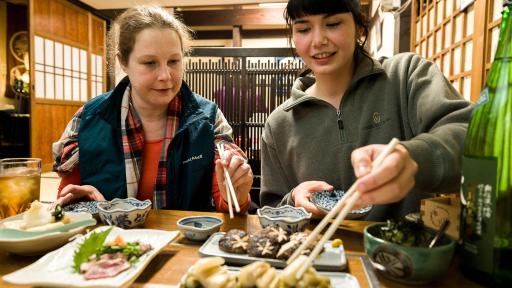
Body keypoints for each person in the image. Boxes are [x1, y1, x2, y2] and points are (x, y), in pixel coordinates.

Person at [260, 0, 473, 220]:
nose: (318, 41)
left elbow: (469, 134)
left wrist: (414, 157)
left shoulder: (406, 76)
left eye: (332, 24)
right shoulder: (279, 124)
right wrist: (294, 198)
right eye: (303, 29)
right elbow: (272, 209)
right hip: (315, 252)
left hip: (404, 249)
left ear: (360, 27)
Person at [52, 6, 253, 213]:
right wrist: (85, 202)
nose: (165, 75)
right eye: (150, 63)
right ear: (123, 62)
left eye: (174, 61)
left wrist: (235, 196)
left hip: (185, 242)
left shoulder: (208, 119)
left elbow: (229, 207)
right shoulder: (89, 119)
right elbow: (66, 201)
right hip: (111, 241)